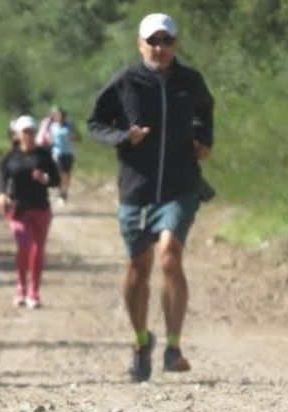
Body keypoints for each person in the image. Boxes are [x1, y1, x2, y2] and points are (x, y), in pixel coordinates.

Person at [87, 13, 214, 382]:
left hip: (180, 185)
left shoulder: (190, 81)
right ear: (140, 44)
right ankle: (142, 341)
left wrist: (203, 141)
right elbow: (95, 123)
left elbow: (205, 114)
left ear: (176, 44)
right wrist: (125, 137)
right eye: (153, 41)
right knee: (138, 269)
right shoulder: (127, 81)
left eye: (167, 41)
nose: (160, 48)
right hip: (137, 189)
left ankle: (174, 347)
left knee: (170, 256)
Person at [0, 115, 60, 310]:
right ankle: (20, 286)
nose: (29, 135)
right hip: (18, 209)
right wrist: (1, 194)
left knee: (37, 250)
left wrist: (45, 178)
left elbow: (56, 180)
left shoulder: (44, 155)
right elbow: (2, 177)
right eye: (25, 132)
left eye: (32, 131)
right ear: (18, 134)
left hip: (40, 208)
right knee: (24, 245)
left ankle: (34, 292)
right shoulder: (10, 156)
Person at [36, 106, 80, 203]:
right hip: (57, 152)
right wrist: (48, 141)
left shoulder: (70, 125)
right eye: (58, 115)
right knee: (59, 172)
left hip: (69, 152)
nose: (60, 117)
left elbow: (78, 137)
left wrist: (73, 137)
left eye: (62, 115)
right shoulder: (51, 126)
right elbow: (44, 135)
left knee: (67, 174)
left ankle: (65, 191)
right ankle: (60, 193)